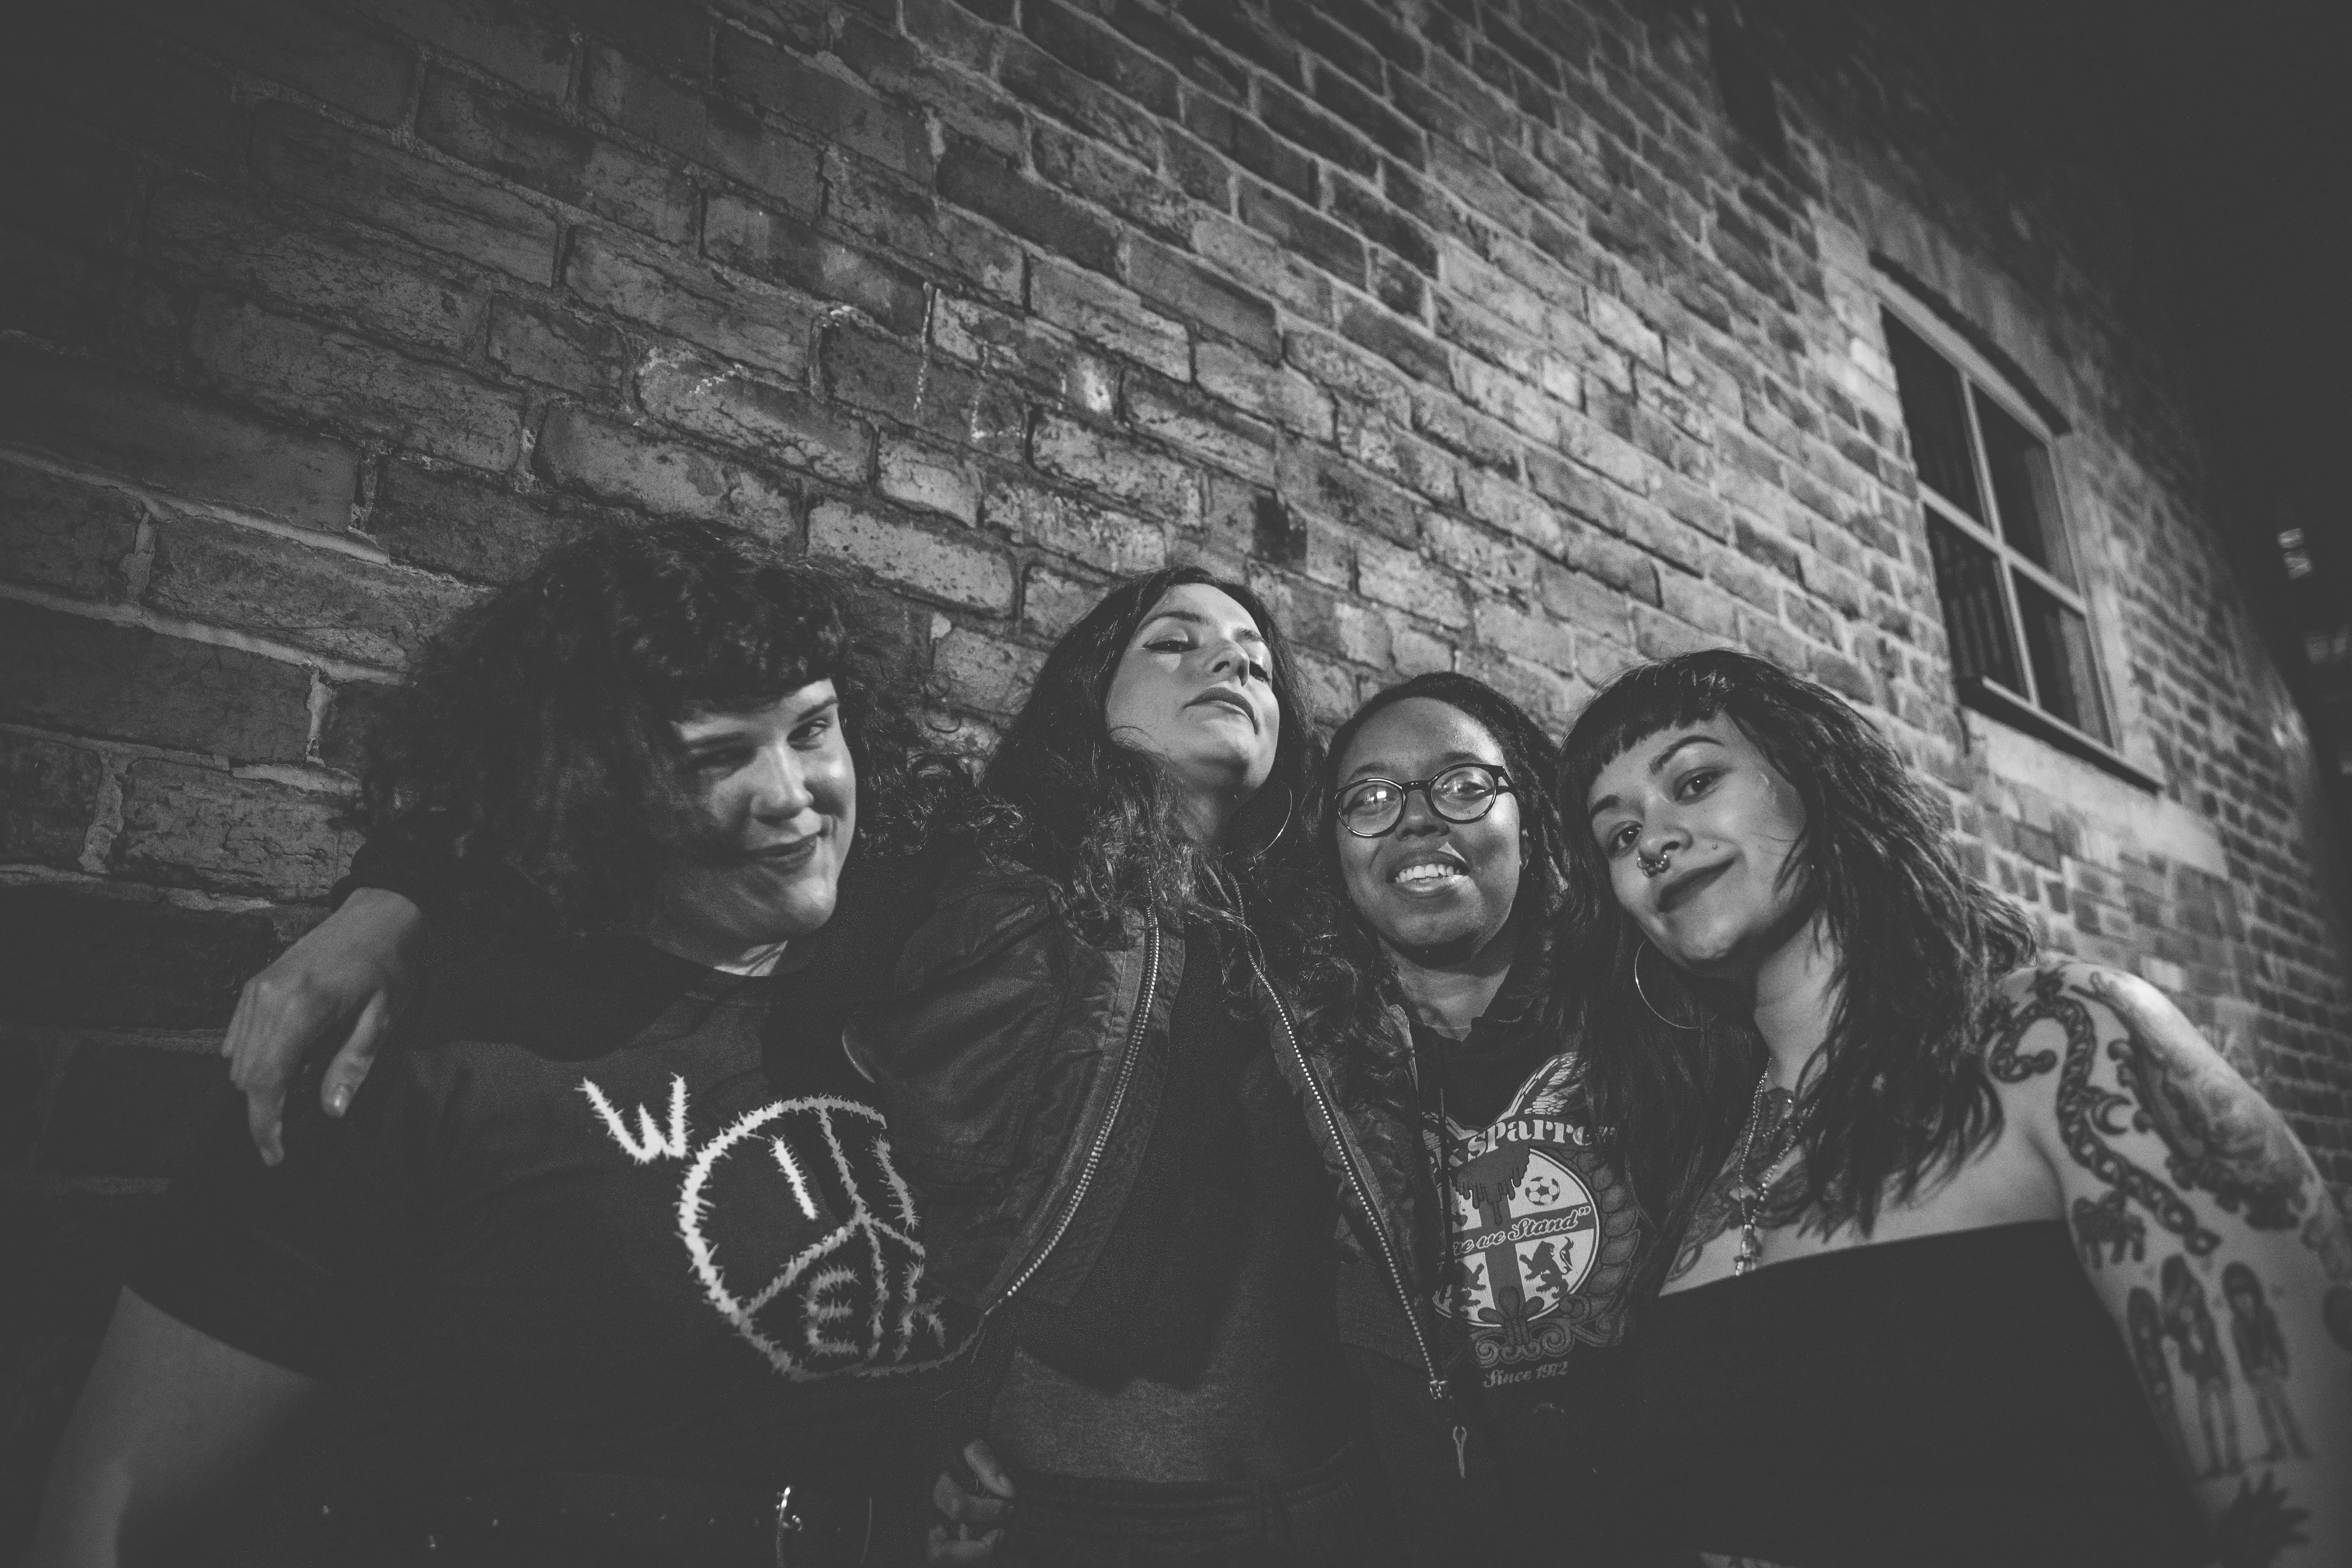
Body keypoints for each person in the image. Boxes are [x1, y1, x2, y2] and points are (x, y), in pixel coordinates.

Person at [26, 523, 980, 1567]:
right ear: (594, 782)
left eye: (812, 729)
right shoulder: (408, 1057)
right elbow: (109, 1517)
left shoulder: (921, 987)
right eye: (716, 757)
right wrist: (392, 900)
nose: (793, 792)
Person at [1563, 648, 2352, 1567]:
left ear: (1816, 781)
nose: (1653, 841)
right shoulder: (1693, 1159)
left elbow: (2307, 1509)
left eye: (1694, 781)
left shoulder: (2063, 1041)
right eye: (1619, 834)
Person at [850, 566, 1448, 1566]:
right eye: (1174, 641)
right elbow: (896, 1171)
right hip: (1081, 1513)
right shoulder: (1014, 892)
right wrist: (921, 1417)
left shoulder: (1317, 946)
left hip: (1334, 1503)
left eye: (1256, 664)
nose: (1231, 666)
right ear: (1093, 691)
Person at [1318, 672, 1736, 1563]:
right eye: (1370, 798)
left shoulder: (1659, 1012)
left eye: (1463, 785)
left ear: (1531, 821)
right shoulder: (1309, 1073)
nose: (1416, 818)